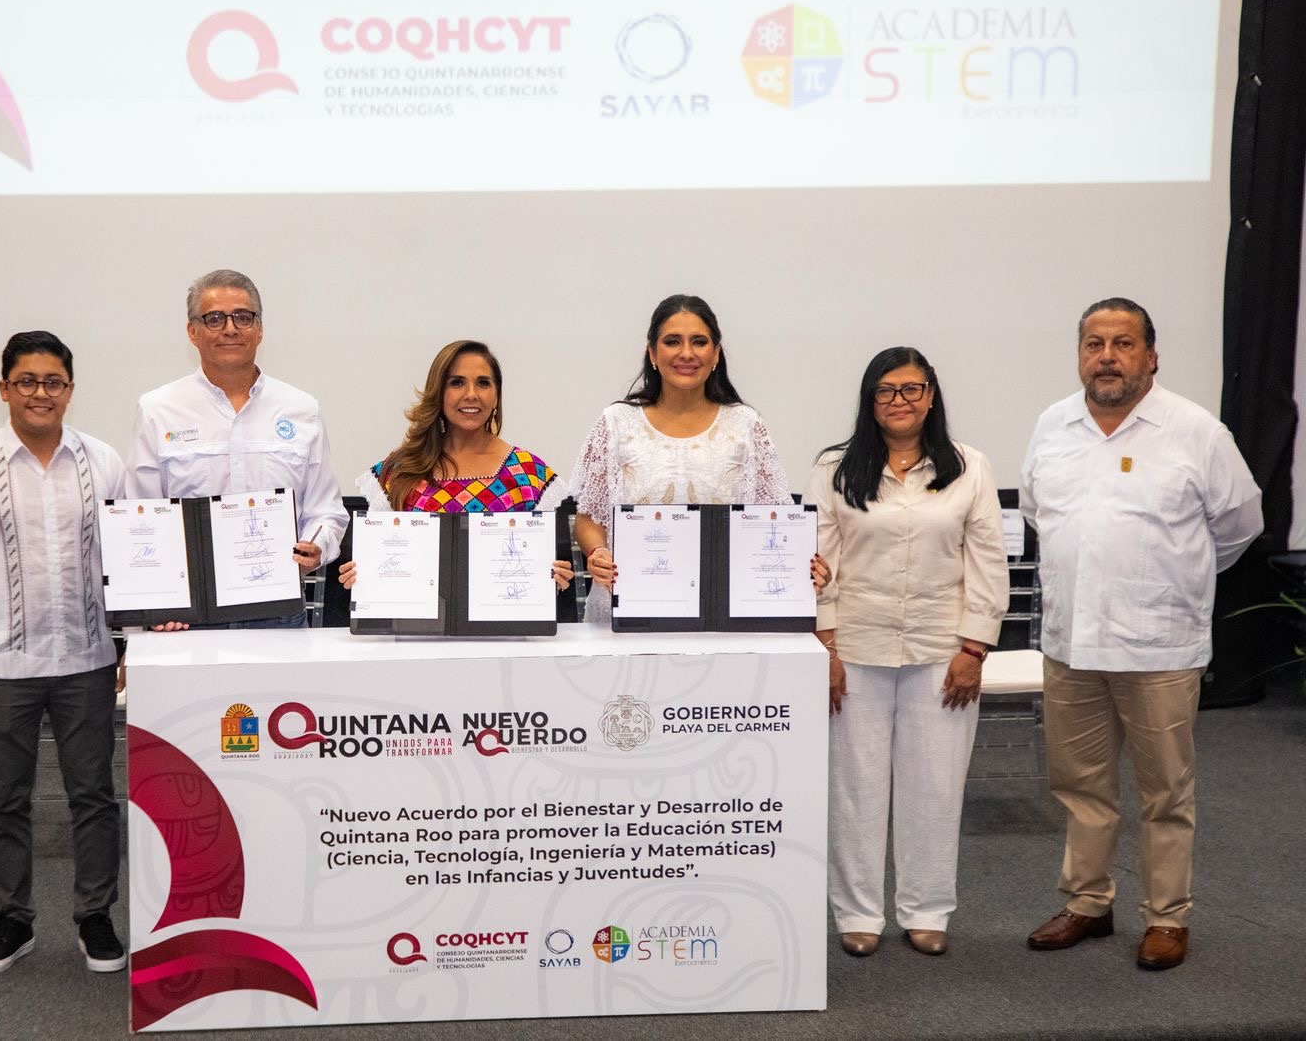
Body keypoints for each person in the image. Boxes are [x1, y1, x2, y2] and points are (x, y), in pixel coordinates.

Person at [1020, 297, 1262, 970]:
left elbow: (1239, 525)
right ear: (1079, 355)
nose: (1107, 357)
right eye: (1094, 344)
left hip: (1158, 646)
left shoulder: (1196, 432)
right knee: (1081, 787)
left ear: (1151, 356)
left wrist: (1175, 577)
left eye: (1123, 344)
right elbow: (1038, 513)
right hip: (1072, 644)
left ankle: (1166, 916)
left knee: (1165, 793)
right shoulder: (1053, 425)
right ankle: (1087, 902)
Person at [0, 332, 128, 976]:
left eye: (53, 382)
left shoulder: (105, 462)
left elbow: (128, 562)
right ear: (4, 389)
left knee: (94, 796)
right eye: (26, 381)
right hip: (0, 665)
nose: (40, 393)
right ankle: (12, 920)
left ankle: (95, 916)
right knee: (5, 799)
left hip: (86, 659)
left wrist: (130, 643)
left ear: (70, 390)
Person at [806, 346, 1008, 958]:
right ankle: (857, 914)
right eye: (886, 390)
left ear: (931, 395)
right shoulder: (835, 469)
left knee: (936, 789)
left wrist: (974, 648)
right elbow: (816, 563)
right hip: (854, 650)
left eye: (912, 389)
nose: (900, 401)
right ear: (870, 400)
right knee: (854, 790)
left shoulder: (969, 467)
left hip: (941, 652)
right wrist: (826, 647)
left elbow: (987, 561)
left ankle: (927, 910)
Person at [571, 294, 823, 622]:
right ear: (652, 353)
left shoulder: (746, 425)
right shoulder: (616, 422)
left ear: (716, 353)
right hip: (630, 608)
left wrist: (803, 565)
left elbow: (773, 521)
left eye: (699, 342)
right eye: (672, 341)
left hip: (722, 610)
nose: (686, 353)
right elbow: (589, 517)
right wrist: (598, 552)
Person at [127, 269, 348, 627]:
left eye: (243, 317)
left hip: (279, 611)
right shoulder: (158, 410)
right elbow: (142, 516)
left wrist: (316, 546)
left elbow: (327, 510)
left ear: (259, 329)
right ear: (192, 331)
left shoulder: (301, 408)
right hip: (189, 615)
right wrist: (154, 604)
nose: (230, 329)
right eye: (214, 318)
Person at [337, 339, 572, 592]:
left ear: (496, 396)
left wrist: (553, 579)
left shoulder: (527, 473)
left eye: (483, 383)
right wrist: (363, 575)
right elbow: (382, 559)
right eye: (456, 382)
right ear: (439, 393)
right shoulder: (399, 470)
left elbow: (537, 569)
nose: (471, 394)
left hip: (506, 616)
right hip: (416, 617)